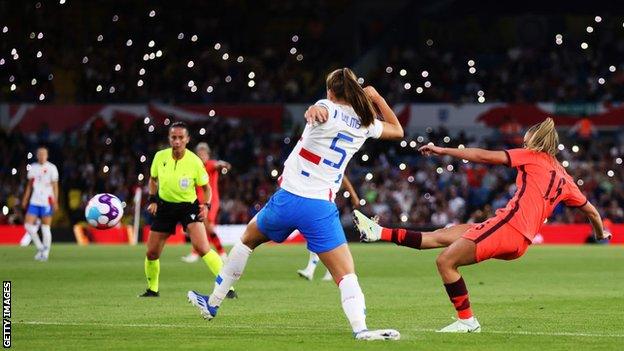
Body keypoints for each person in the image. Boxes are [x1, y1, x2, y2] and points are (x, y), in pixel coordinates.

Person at [187, 68, 404, 340]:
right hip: (319, 209)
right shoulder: (364, 122)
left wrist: (314, 110)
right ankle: (360, 329)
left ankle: (214, 302)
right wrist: (378, 99)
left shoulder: (327, 106)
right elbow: (397, 131)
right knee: (346, 274)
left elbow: (318, 109)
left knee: (246, 241)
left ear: (330, 92)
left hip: (287, 200)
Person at [354, 118, 612, 333]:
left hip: (509, 228)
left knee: (445, 262)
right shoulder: (565, 179)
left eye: (527, 137)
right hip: (514, 235)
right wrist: (601, 234)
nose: (523, 141)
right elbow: (592, 212)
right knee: (439, 237)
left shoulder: (532, 157)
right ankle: (378, 232)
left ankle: (467, 321)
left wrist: (444, 151)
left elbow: (482, 156)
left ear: (535, 141)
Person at [140, 122, 235, 298]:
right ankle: (152, 290)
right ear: (169, 139)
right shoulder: (160, 157)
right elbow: (153, 179)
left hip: (187, 207)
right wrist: (152, 199)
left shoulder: (194, 162)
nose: (177, 141)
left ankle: (228, 288)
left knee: (202, 247)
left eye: (180, 138)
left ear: (187, 139)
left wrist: (206, 206)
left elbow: (207, 189)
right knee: (151, 252)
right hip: (164, 207)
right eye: (173, 137)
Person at [297, 175, 360, 281]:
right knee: (319, 239)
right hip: (320, 204)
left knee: (324, 240)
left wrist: (354, 196)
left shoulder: (328, 167)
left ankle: (321, 271)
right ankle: (312, 270)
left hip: (324, 205)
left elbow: (343, 178)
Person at [181, 142, 231, 263]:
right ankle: (221, 253)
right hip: (198, 202)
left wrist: (223, 165)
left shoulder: (211, 165)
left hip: (211, 202)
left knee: (205, 226)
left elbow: (220, 165)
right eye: (200, 154)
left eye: (204, 153)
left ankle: (197, 253)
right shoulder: (194, 167)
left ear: (208, 155)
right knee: (205, 228)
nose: (202, 156)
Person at [21, 146, 59, 261]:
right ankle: (41, 247)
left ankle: (45, 253)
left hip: (47, 201)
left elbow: (55, 186)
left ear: (47, 156)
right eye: (40, 154)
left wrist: (56, 201)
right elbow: (29, 185)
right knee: (27, 225)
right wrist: (25, 198)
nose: (42, 156)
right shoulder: (33, 168)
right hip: (34, 200)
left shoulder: (52, 168)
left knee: (45, 227)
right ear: (37, 155)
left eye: (44, 154)